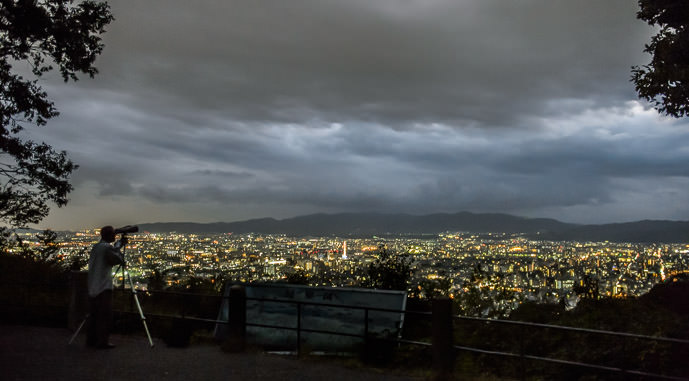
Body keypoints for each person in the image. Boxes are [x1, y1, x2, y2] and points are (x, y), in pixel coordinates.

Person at [86, 226, 127, 349]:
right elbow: (117, 259)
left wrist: (117, 246)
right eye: (113, 235)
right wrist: (119, 246)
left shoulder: (96, 247)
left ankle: (91, 340)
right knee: (105, 316)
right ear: (109, 235)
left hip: (92, 285)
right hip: (103, 287)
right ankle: (102, 342)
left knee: (94, 316)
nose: (114, 237)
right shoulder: (107, 248)